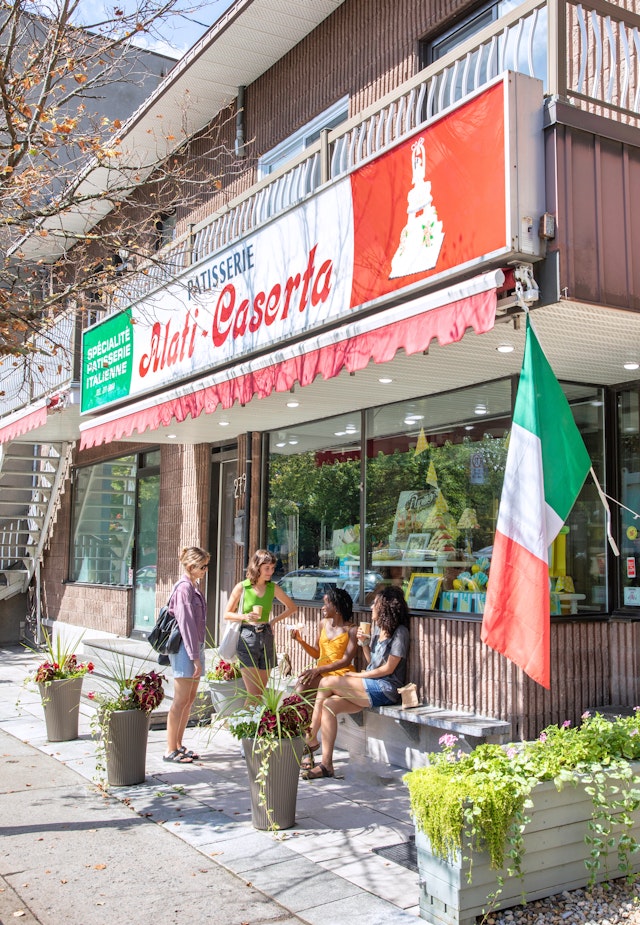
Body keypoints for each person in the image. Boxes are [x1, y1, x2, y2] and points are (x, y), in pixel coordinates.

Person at [302, 585, 410, 780]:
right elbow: (372, 664)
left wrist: (357, 676)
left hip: (386, 689)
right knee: (329, 705)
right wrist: (365, 645)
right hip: (370, 686)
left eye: (375, 604)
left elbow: (388, 670)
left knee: (327, 682)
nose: (371, 608)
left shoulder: (400, 632)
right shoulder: (378, 629)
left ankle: (310, 737)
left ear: (385, 607)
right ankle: (326, 764)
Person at [291, 587, 357, 767]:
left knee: (319, 692)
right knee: (299, 691)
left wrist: (318, 671)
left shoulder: (351, 630)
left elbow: (346, 660)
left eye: (326, 603)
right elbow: (317, 653)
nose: (322, 607)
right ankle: (309, 740)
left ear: (336, 606)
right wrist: (300, 640)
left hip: (340, 674)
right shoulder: (322, 624)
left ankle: (308, 747)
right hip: (320, 672)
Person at [224, 549, 297, 697]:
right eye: (267, 568)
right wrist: (245, 616)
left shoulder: (273, 588)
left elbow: (292, 607)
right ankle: (241, 720)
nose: (270, 572)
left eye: (272, 568)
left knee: (260, 694)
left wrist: (273, 621)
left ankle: (249, 720)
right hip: (247, 636)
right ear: (257, 567)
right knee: (253, 694)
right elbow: (227, 614)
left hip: (267, 635)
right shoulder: (242, 587)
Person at [164, 546, 209, 764]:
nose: (205, 570)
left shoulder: (194, 587)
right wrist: (195, 657)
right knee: (180, 700)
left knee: (190, 699)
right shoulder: (184, 589)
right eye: (203, 566)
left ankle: (179, 744)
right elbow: (186, 625)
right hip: (185, 648)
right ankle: (169, 748)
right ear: (191, 567)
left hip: (195, 646)